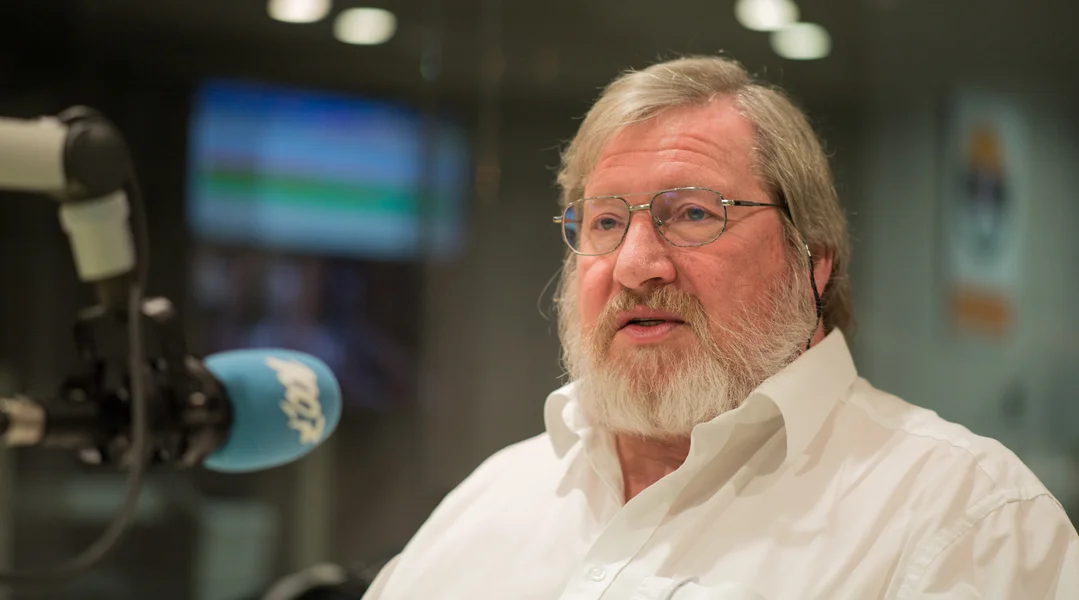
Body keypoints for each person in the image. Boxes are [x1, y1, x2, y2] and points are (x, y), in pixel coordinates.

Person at [362, 56, 1079, 599]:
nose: (635, 265)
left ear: (813, 259)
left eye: (693, 214)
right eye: (606, 222)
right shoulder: (490, 499)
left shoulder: (967, 517)